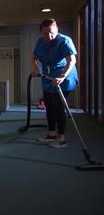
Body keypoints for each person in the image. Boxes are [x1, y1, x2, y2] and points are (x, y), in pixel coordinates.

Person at [31, 19, 78, 148]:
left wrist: (62, 76)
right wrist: (35, 68)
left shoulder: (64, 41)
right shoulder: (40, 42)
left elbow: (72, 61)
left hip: (64, 77)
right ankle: (51, 134)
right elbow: (33, 57)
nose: (49, 36)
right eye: (45, 34)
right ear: (41, 33)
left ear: (57, 29)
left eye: (51, 33)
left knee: (58, 107)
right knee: (49, 106)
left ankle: (61, 139)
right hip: (47, 77)